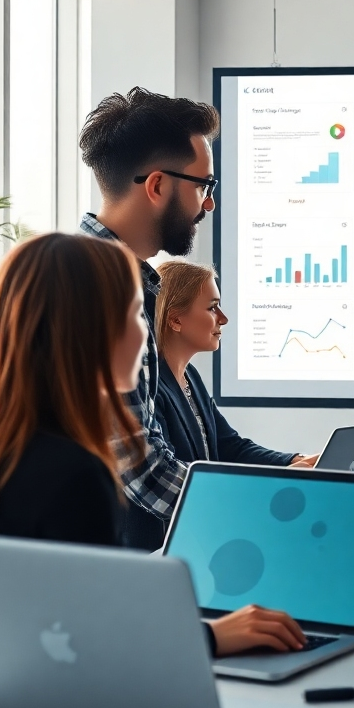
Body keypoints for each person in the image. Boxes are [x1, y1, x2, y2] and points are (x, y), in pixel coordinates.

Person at [0, 232, 307, 658]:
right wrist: (212, 636)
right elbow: (100, 645)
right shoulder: (75, 474)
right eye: (139, 316)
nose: (148, 340)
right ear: (92, 331)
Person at [78, 88, 314, 548]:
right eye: (204, 186)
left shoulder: (95, 271)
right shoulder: (104, 288)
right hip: (97, 571)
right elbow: (141, 469)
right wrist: (262, 512)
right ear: (157, 186)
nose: (209, 204)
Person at [139, 260, 312, 550]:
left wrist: (292, 461)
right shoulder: (151, 387)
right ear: (176, 320)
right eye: (212, 307)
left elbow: (230, 445)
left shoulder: (189, 376)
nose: (223, 318)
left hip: (202, 535)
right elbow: (169, 471)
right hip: (164, 547)